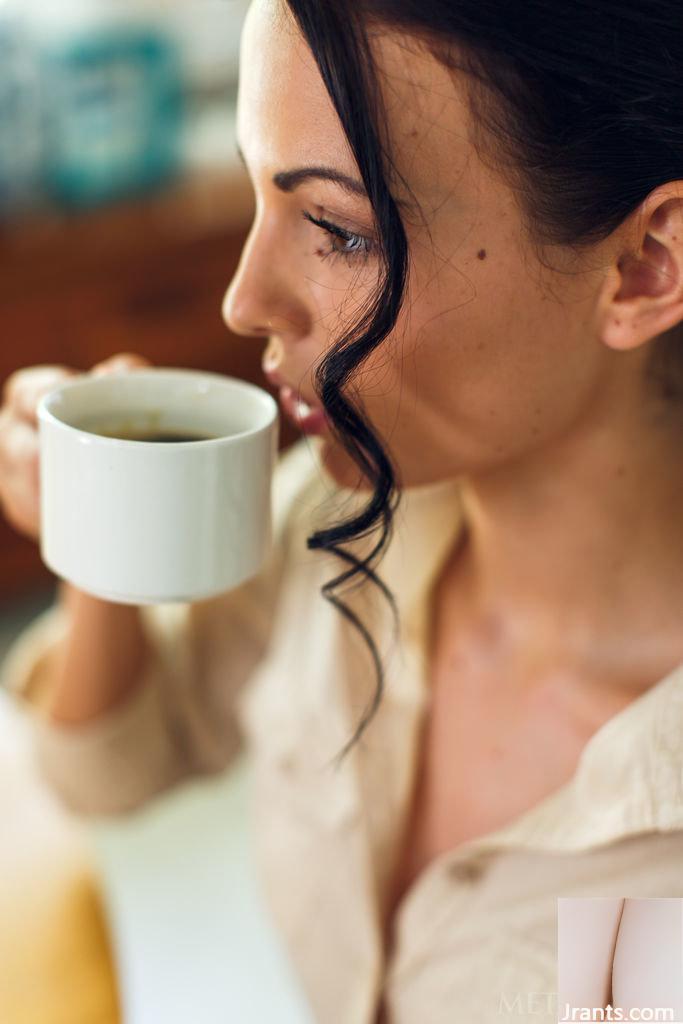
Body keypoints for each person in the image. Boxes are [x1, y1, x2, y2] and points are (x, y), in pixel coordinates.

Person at [1, 1, 683, 1021]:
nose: (242, 299)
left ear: (644, 265)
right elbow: (114, 767)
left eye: (336, 229)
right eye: (255, 192)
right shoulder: (325, 523)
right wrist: (101, 522)